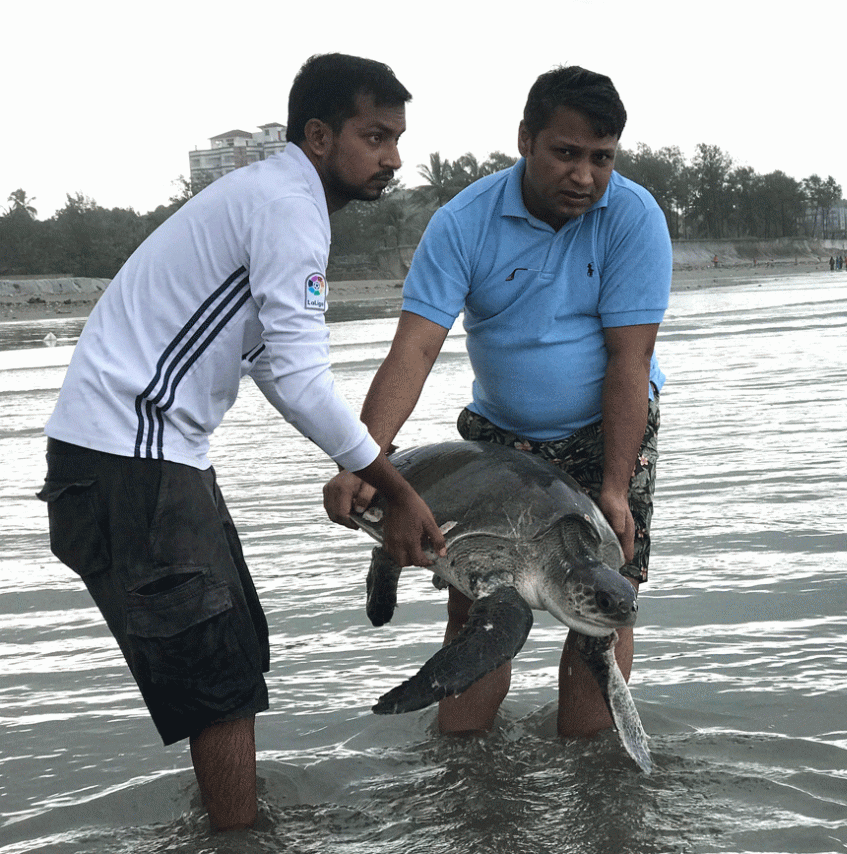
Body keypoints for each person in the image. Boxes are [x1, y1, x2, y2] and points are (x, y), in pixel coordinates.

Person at [38, 53, 446, 832]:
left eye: (397, 138)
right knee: (219, 677)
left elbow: (260, 356)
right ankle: (239, 839)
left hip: (140, 456)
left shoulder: (273, 198)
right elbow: (296, 373)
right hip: (131, 457)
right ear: (320, 135)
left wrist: (358, 463)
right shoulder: (289, 206)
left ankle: (231, 829)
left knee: (234, 653)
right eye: (376, 135)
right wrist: (392, 487)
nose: (393, 157)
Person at [323, 65, 671, 740]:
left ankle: (593, 769)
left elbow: (630, 362)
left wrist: (616, 489)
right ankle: (464, 768)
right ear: (525, 140)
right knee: (479, 608)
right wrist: (360, 460)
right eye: (566, 153)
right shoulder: (463, 223)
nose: (585, 176)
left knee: (599, 614)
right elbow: (415, 351)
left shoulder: (633, 217)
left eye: (602, 158)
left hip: (607, 429)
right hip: (500, 440)